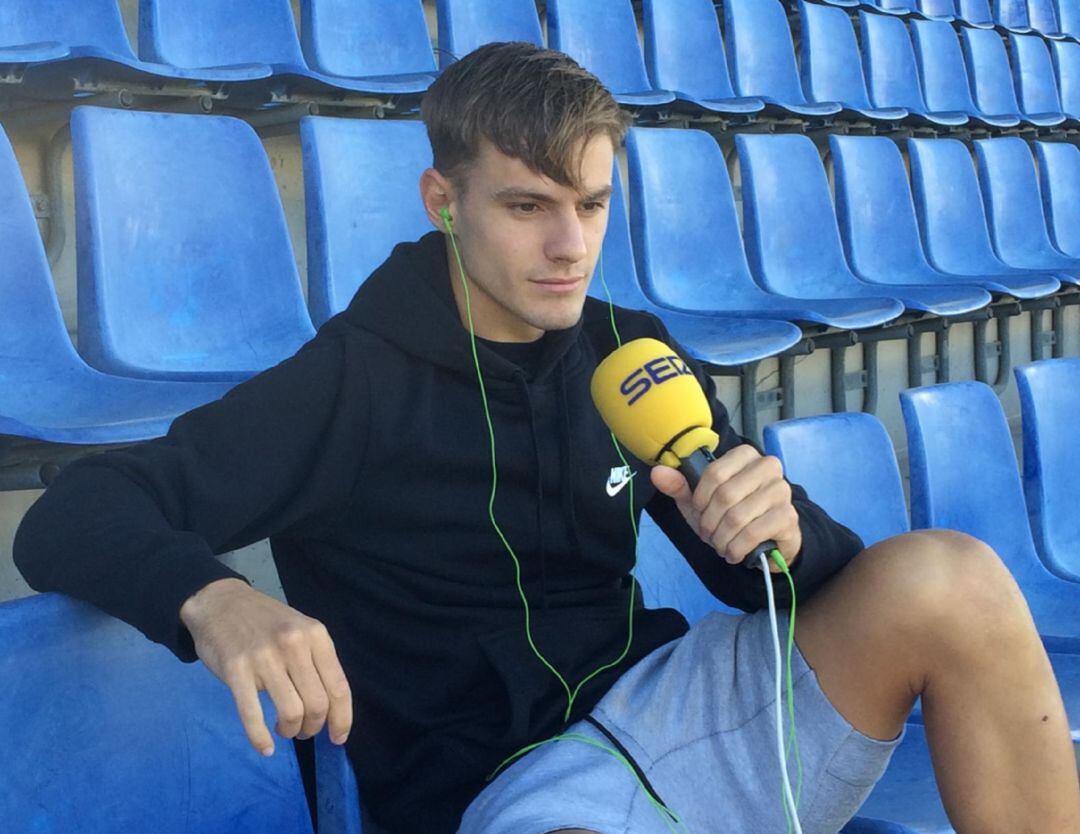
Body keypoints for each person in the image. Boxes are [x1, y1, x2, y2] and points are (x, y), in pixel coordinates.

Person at [14, 42, 1079, 834]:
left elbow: (755, 580)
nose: (570, 247)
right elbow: (79, 509)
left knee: (954, 577)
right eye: (528, 207)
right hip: (512, 788)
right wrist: (220, 599)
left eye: (592, 205)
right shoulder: (352, 381)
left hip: (671, 701)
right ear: (446, 201)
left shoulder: (631, 351)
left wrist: (792, 533)